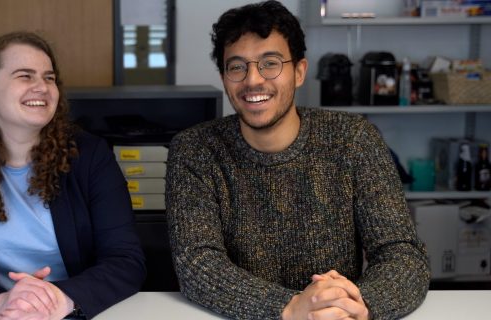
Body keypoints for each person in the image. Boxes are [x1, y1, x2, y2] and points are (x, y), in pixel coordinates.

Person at [165, 1, 430, 320]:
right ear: (224, 77)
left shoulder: (354, 139)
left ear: (299, 71)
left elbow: (401, 253)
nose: (252, 81)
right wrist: (289, 308)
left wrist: (360, 305)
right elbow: (197, 264)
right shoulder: (195, 149)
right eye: (237, 67)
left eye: (270, 63)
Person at [0, 31, 146, 320]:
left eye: (49, 77)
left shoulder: (90, 155)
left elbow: (126, 260)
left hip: (68, 312)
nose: (42, 87)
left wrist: (60, 299)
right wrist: (0, 302)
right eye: (24, 76)